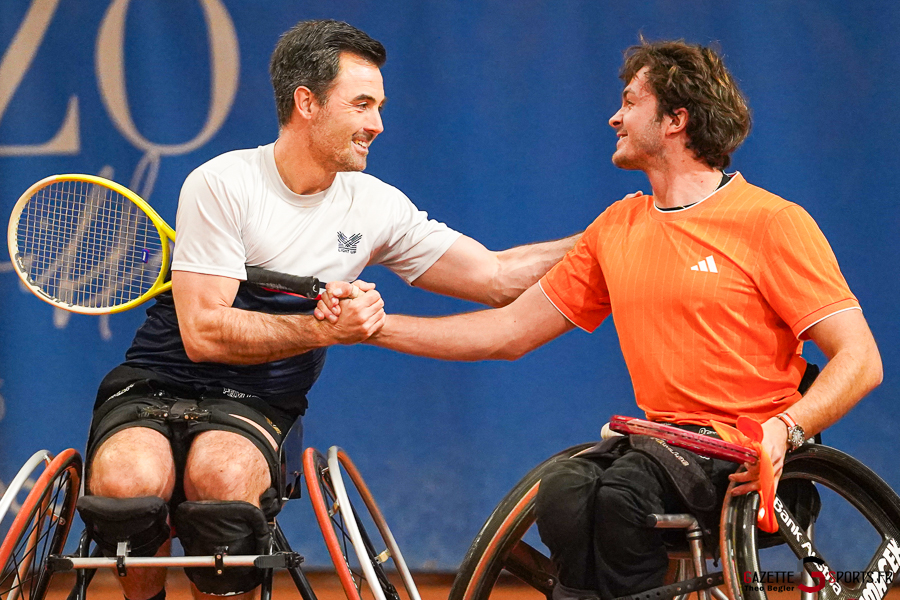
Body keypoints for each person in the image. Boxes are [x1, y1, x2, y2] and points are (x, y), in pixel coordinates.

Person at [359, 39, 883, 600]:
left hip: (749, 458)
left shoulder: (773, 222)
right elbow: (507, 332)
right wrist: (376, 329)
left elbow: (862, 360)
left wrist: (786, 430)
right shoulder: (617, 227)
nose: (614, 115)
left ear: (677, 120)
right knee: (564, 488)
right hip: (661, 446)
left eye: (630, 102)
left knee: (623, 493)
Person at [84, 19, 580, 600]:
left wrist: (605, 234)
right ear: (307, 103)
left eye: (380, 106)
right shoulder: (222, 183)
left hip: (257, 400)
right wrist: (326, 327)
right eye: (363, 104)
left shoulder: (375, 207)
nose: (378, 124)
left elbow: (497, 278)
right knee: (128, 483)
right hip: (156, 381)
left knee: (218, 481)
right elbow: (203, 332)